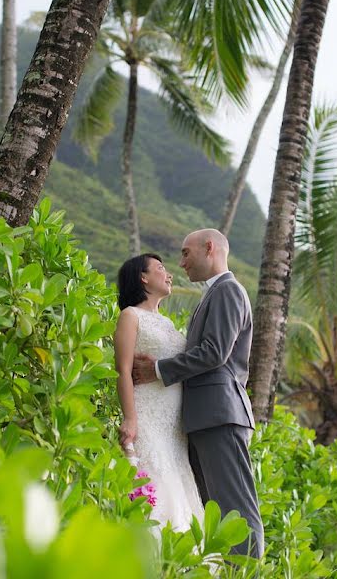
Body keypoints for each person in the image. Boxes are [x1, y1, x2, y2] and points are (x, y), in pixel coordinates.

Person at [132, 229, 264, 558]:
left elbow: (214, 352)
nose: (181, 263)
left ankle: (249, 570)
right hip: (204, 417)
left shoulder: (228, 290)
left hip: (221, 414)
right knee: (213, 510)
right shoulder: (212, 294)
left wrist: (158, 369)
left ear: (210, 249)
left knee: (236, 508)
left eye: (186, 253)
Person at [114, 253, 204, 533]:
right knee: (158, 485)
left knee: (179, 486)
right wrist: (130, 419)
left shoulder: (166, 323)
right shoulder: (131, 316)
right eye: (161, 268)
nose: (170, 274)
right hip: (148, 415)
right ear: (143, 277)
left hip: (174, 425)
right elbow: (123, 370)